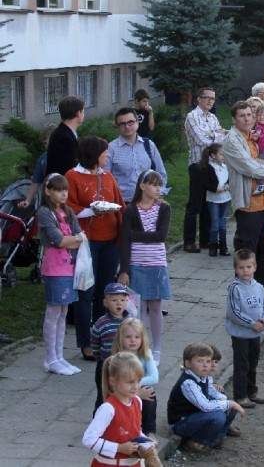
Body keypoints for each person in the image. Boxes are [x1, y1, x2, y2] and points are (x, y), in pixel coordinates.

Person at [66, 136, 125, 361]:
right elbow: (69, 207)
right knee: (85, 292)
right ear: (94, 154)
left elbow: (119, 204)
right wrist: (93, 211)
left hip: (110, 240)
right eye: (104, 152)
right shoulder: (72, 176)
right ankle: (85, 342)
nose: (108, 155)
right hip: (86, 241)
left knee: (104, 292)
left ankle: (103, 339)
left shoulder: (107, 176)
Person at [223, 101, 264, 306]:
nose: (247, 118)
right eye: (242, 115)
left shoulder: (255, 135)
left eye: (249, 115)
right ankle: (244, 301)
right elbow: (247, 167)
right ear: (234, 119)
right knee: (247, 254)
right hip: (248, 205)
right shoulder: (231, 140)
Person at [117, 170, 171, 365]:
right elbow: (125, 241)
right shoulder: (131, 210)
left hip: (157, 264)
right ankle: (140, 347)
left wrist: (135, 235)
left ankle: (156, 349)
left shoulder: (164, 208)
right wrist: (124, 270)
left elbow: (160, 236)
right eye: (154, 185)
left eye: (160, 185)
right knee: (138, 309)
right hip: (136, 264)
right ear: (142, 186)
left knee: (155, 306)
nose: (158, 189)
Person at [38, 173, 84, 375]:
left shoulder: (69, 211)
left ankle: (59, 356)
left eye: (65, 189)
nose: (64, 194)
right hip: (54, 268)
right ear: (48, 191)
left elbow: (80, 235)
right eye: (58, 190)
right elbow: (58, 240)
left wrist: (73, 239)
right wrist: (74, 239)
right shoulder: (45, 213)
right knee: (53, 311)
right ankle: (50, 358)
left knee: (63, 311)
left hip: (70, 268)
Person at [82, 352, 159, 465]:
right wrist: (118, 448)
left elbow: (134, 431)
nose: (136, 386)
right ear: (113, 381)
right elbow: (89, 439)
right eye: (130, 382)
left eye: (138, 380)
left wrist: (145, 440)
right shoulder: (108, 409)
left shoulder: (137, 401)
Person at [167, 342, 245, 452]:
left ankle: (218, 436)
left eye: (208, 361)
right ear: (188, 363)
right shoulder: (188, 382)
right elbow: (205, 406)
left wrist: (225, 400)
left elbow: (213, 392)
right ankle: (197, 442)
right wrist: (229, 404)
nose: (205, 365)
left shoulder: (203, 376)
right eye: (200, 361)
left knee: (229, 405)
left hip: (195, 415)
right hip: (181, 422)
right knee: (218, 417)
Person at [225, 248, 264, 407]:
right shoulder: (235, 288)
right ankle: (241, 395)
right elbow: (233, 313)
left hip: (255, 334)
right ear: (235, 269)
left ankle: (252, 392)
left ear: (255, 267)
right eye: (241, 267)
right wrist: (252, 324)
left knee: (252, 364)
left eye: (248, 267)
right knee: (242, 365)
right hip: (241, 334)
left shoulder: (259, 287)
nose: (245, 271)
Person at [184, 88, 226, 252]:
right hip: (197, 164)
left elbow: (221, 141)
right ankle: (189, 241)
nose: (210, 101)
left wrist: (212, 134)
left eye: (212, 99)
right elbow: (201, 140)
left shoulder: (213, 117)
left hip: (212, 165)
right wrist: (216, 134)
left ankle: (205, 240)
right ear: (199, 99)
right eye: (206, 98)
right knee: (195, 204)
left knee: (209, 203)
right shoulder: (192, 117)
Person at [105, 108, 168, 204]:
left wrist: (159, 194)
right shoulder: (111, 149)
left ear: (137, 123)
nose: (127, 126)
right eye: (122, 124)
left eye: (130, 122)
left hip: (148, 203)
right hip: (123, 204)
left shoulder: (149, 145)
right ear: (118, 126)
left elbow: (161, 173)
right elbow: (105, 179)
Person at [111, 318, 159, 439]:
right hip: (121, 390)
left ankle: (150, 431)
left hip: (136, 388)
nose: (133, 340)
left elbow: (154, 377)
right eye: (128, 337)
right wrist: (135, 392)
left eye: (137, 337)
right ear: (121, 339)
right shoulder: (118, 357)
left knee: (149, 393)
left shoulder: (146, 353)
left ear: (142, 339)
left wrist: (135, 387)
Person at [91, 283, 130, 411]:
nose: (119, 303)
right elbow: (95, 343)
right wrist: (100, 359)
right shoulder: (101, 323)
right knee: (103, 395)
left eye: (122, 300)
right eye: (114, 300)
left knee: (123, 394)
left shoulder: (129, 321)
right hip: (106, 365)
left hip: (125, 364)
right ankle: (98, 419)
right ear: (106, 303)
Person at [200, 143, 232, 257]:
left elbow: (229, 179)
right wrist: (215, 189)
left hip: (226, 198)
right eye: (221, 154)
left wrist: (228, 185)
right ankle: (213, 245)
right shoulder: (209, 168)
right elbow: (205, 184)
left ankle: (223, 246)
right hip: (214, 199)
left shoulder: (225, 167)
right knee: (215, 224)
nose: (223, 156)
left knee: (223, 224)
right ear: (213, 155)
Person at [18, 124, 57, 210]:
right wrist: (27, 201)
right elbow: (36, 182)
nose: (46, 146)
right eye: (44, 144)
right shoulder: (43, 159)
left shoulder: (66, 156)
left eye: (48, 142)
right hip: (48, 201)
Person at [46, 95, 84, 176]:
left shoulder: (65, 133)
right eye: (83, 111)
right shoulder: (64, 137)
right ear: (78, 114)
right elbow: (68, 169)